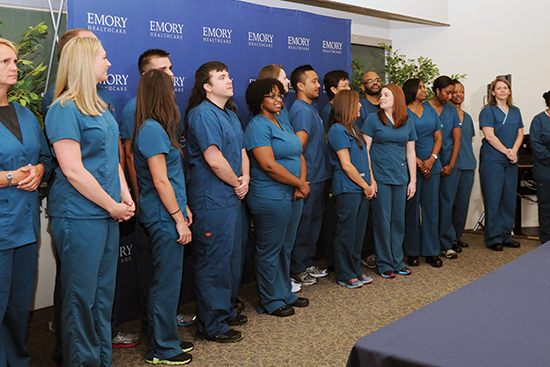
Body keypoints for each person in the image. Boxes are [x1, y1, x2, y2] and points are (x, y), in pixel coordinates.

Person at [45, 37, 135, 366]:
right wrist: (111, 205)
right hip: (79, 216)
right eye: (103, 57)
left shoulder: (99, 106)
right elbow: (72, 169)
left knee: (101, 297)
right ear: (85, 63)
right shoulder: (63, 109)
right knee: (80, 300)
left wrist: (123, 194)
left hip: (106, 215)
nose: (108, 63)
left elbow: (112, 160)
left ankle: (100, 360)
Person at [185, 61, 249, 343]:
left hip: (232, 197)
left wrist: (245, 177)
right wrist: (237, 183)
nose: (229, 79)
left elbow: (242, 151)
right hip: (212, 200)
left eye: (229, 74)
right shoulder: (202, 115)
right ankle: (212, 325)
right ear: (207, 87)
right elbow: (213, 159)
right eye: (222, 77)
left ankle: (225, 310)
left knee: (231, 260)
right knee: (213, 264)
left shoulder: (231, 115)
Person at [132, 69, 193, 365]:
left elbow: (172, 178)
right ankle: (162, 348)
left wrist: (185, 209)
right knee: (164, 284)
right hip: (161, 217)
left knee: (168, 283)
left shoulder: (157, 128)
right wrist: (178, 218)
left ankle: (165, 340)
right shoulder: (151, 130)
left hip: (169, 212)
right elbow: (160, 181)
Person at [0, 37, 53, 367]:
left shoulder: (25, 113)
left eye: (14, 61)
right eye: (5, 62)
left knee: (18, 308)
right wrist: (10, 177)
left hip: (25, 226)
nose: (14, 67)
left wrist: (39, 169)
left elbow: (46, 155)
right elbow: (10, 174)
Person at [244, 78, 310, 316]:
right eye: (271, 95)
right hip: (270, 197)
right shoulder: (257, 126)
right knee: (270, 250)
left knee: (285, 247)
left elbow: (298, 153)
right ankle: (270, 300)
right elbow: (268, 165)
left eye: (280, 95)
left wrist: (300, 184)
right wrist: (299, 183)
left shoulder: (282, 121)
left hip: (293, 194)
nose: (278, 99)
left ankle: (285, 292)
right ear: (258, 101)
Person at [361, 84, 416, 278]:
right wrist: (370, 179)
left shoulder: (407, 121)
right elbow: (364, 150)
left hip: (400, 178)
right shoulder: (372, 119)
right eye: (381, 95)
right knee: (382, 222)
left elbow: (411, 152)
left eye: (386, 95)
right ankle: (384, 262)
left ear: (397, 98)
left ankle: (396, 260)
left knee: (398, 221)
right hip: (380, 177)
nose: (381, 97)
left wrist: (413, 181)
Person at [327, 90, 376, 288]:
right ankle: (345, 273)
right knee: (346, 232)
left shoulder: (354, 128)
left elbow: (365, 160)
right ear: (347, 105)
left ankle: (355, 269)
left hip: (362, 188)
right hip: (348, 189)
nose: (360, 106)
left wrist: (371, 182)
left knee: (358, 232)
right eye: (356, 103)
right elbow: (346, 165)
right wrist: (365, 185)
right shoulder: (337, 130)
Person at [289, 65, 330, 286]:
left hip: (319, 174)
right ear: (300, 85)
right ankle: (297, 267)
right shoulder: (301, 110)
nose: (318, 85)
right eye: (313, 81)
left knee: (314, 224)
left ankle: (306, 262)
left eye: (318, 81)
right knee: (304, 225)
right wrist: (301, 180)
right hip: (309, 177)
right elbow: (299, 147)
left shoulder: (311, 108)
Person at [402, 79, 443, 268]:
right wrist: (418, 163)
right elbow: (402, 141)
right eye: (420, 88)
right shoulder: (403, 111)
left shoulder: (431, 110)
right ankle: (411, 251)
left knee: (431, 209)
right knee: (411, 210)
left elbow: (438, 136)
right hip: (412, 166)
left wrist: (432, 159)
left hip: (432, 165)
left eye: (424, 87)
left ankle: (431, 251)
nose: (424, 90)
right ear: (411, 90)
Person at [479, 78, 523, 251]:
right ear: (493, 92)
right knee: (493, 199)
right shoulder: (488, 111)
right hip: (493, 161)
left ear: (509, 91)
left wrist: (514, 152)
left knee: (509, 199)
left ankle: (506, 235)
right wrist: (507, 151)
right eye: (499, 88)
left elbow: (520, 134)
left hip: (511, 161)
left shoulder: (515, 111)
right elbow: (489, 136)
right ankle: (493, 238)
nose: (503, 90)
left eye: (505, 88)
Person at [425, 76, 462, 259]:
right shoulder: (423, 108)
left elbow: (457, 139)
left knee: (446, 205)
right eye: (447, 93)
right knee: (430, 206)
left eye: (452, 92)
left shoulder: (451, 111)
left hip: (447, 164)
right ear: (437, 90)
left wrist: (451, 164)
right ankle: (430, 245)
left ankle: (446, 243)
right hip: (427, 164)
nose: (450, 96)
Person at [450, 81, 477, 249]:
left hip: (467, 165)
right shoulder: (444, 114)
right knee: (448, 204)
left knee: (462, 204)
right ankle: (447, 239)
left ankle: (457, 236)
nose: (459, 94)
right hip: (451, 166)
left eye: (462, 91)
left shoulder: (467, 117)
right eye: (455, 92)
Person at [530, 91, 550, 244]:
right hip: (545, 170)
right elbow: (536, 146)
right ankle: (546, 239)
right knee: (546, 206)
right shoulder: (539, 120)